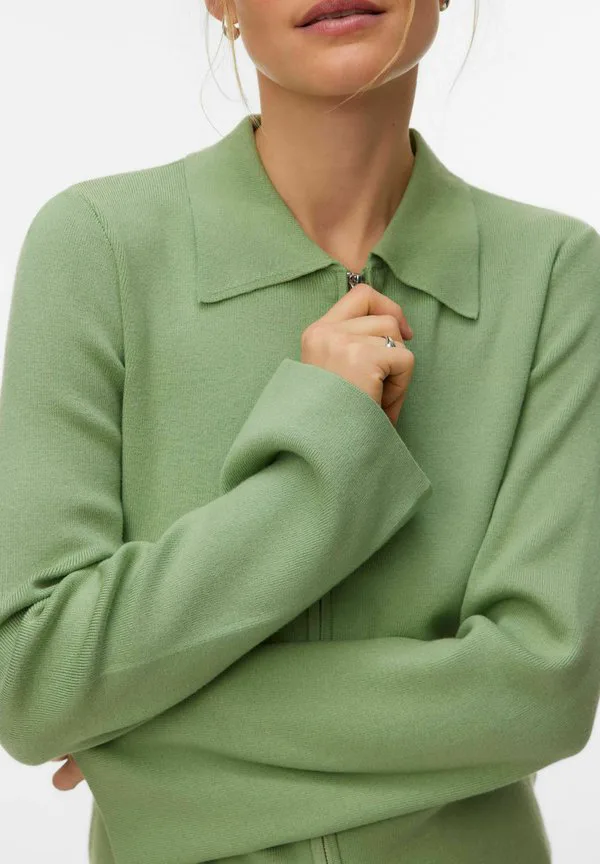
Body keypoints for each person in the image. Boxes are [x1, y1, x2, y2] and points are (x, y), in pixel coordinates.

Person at [1, 1, 600, 862]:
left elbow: (541, 690)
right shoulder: (99, 249)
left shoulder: (553, 276)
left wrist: (134, 740)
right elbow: (31, 676)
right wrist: (325, 462)